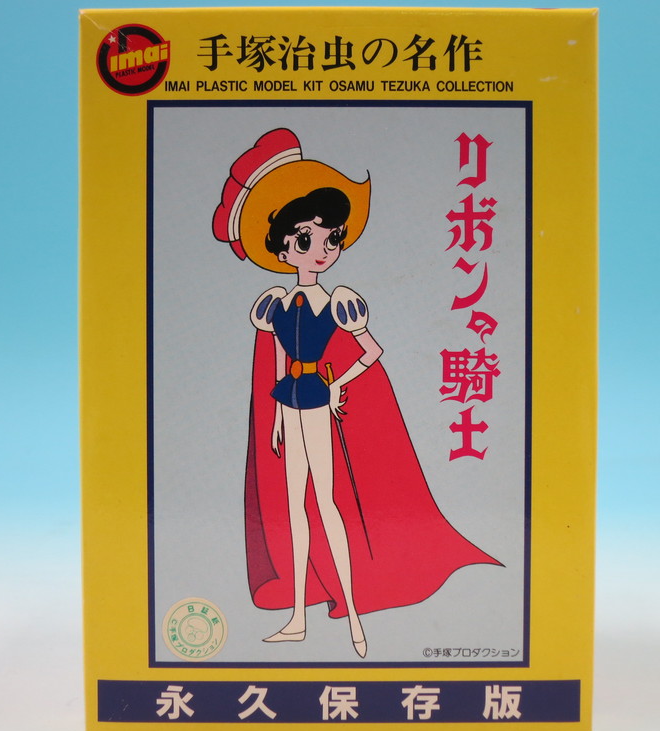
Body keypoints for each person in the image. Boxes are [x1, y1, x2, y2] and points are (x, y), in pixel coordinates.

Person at [213, 128, 500, 659]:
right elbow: (273, 357)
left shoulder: (340, 301)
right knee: (293, 509)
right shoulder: (275, 301)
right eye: (306, 240)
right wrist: (273, 416)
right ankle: (299, 616)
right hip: (289, 403)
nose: (321, 251)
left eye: (331, 240)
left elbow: (372, 351)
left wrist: (336, 384)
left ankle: (352, 614)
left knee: (326, 504)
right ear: (282, 245)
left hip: (317, 402)